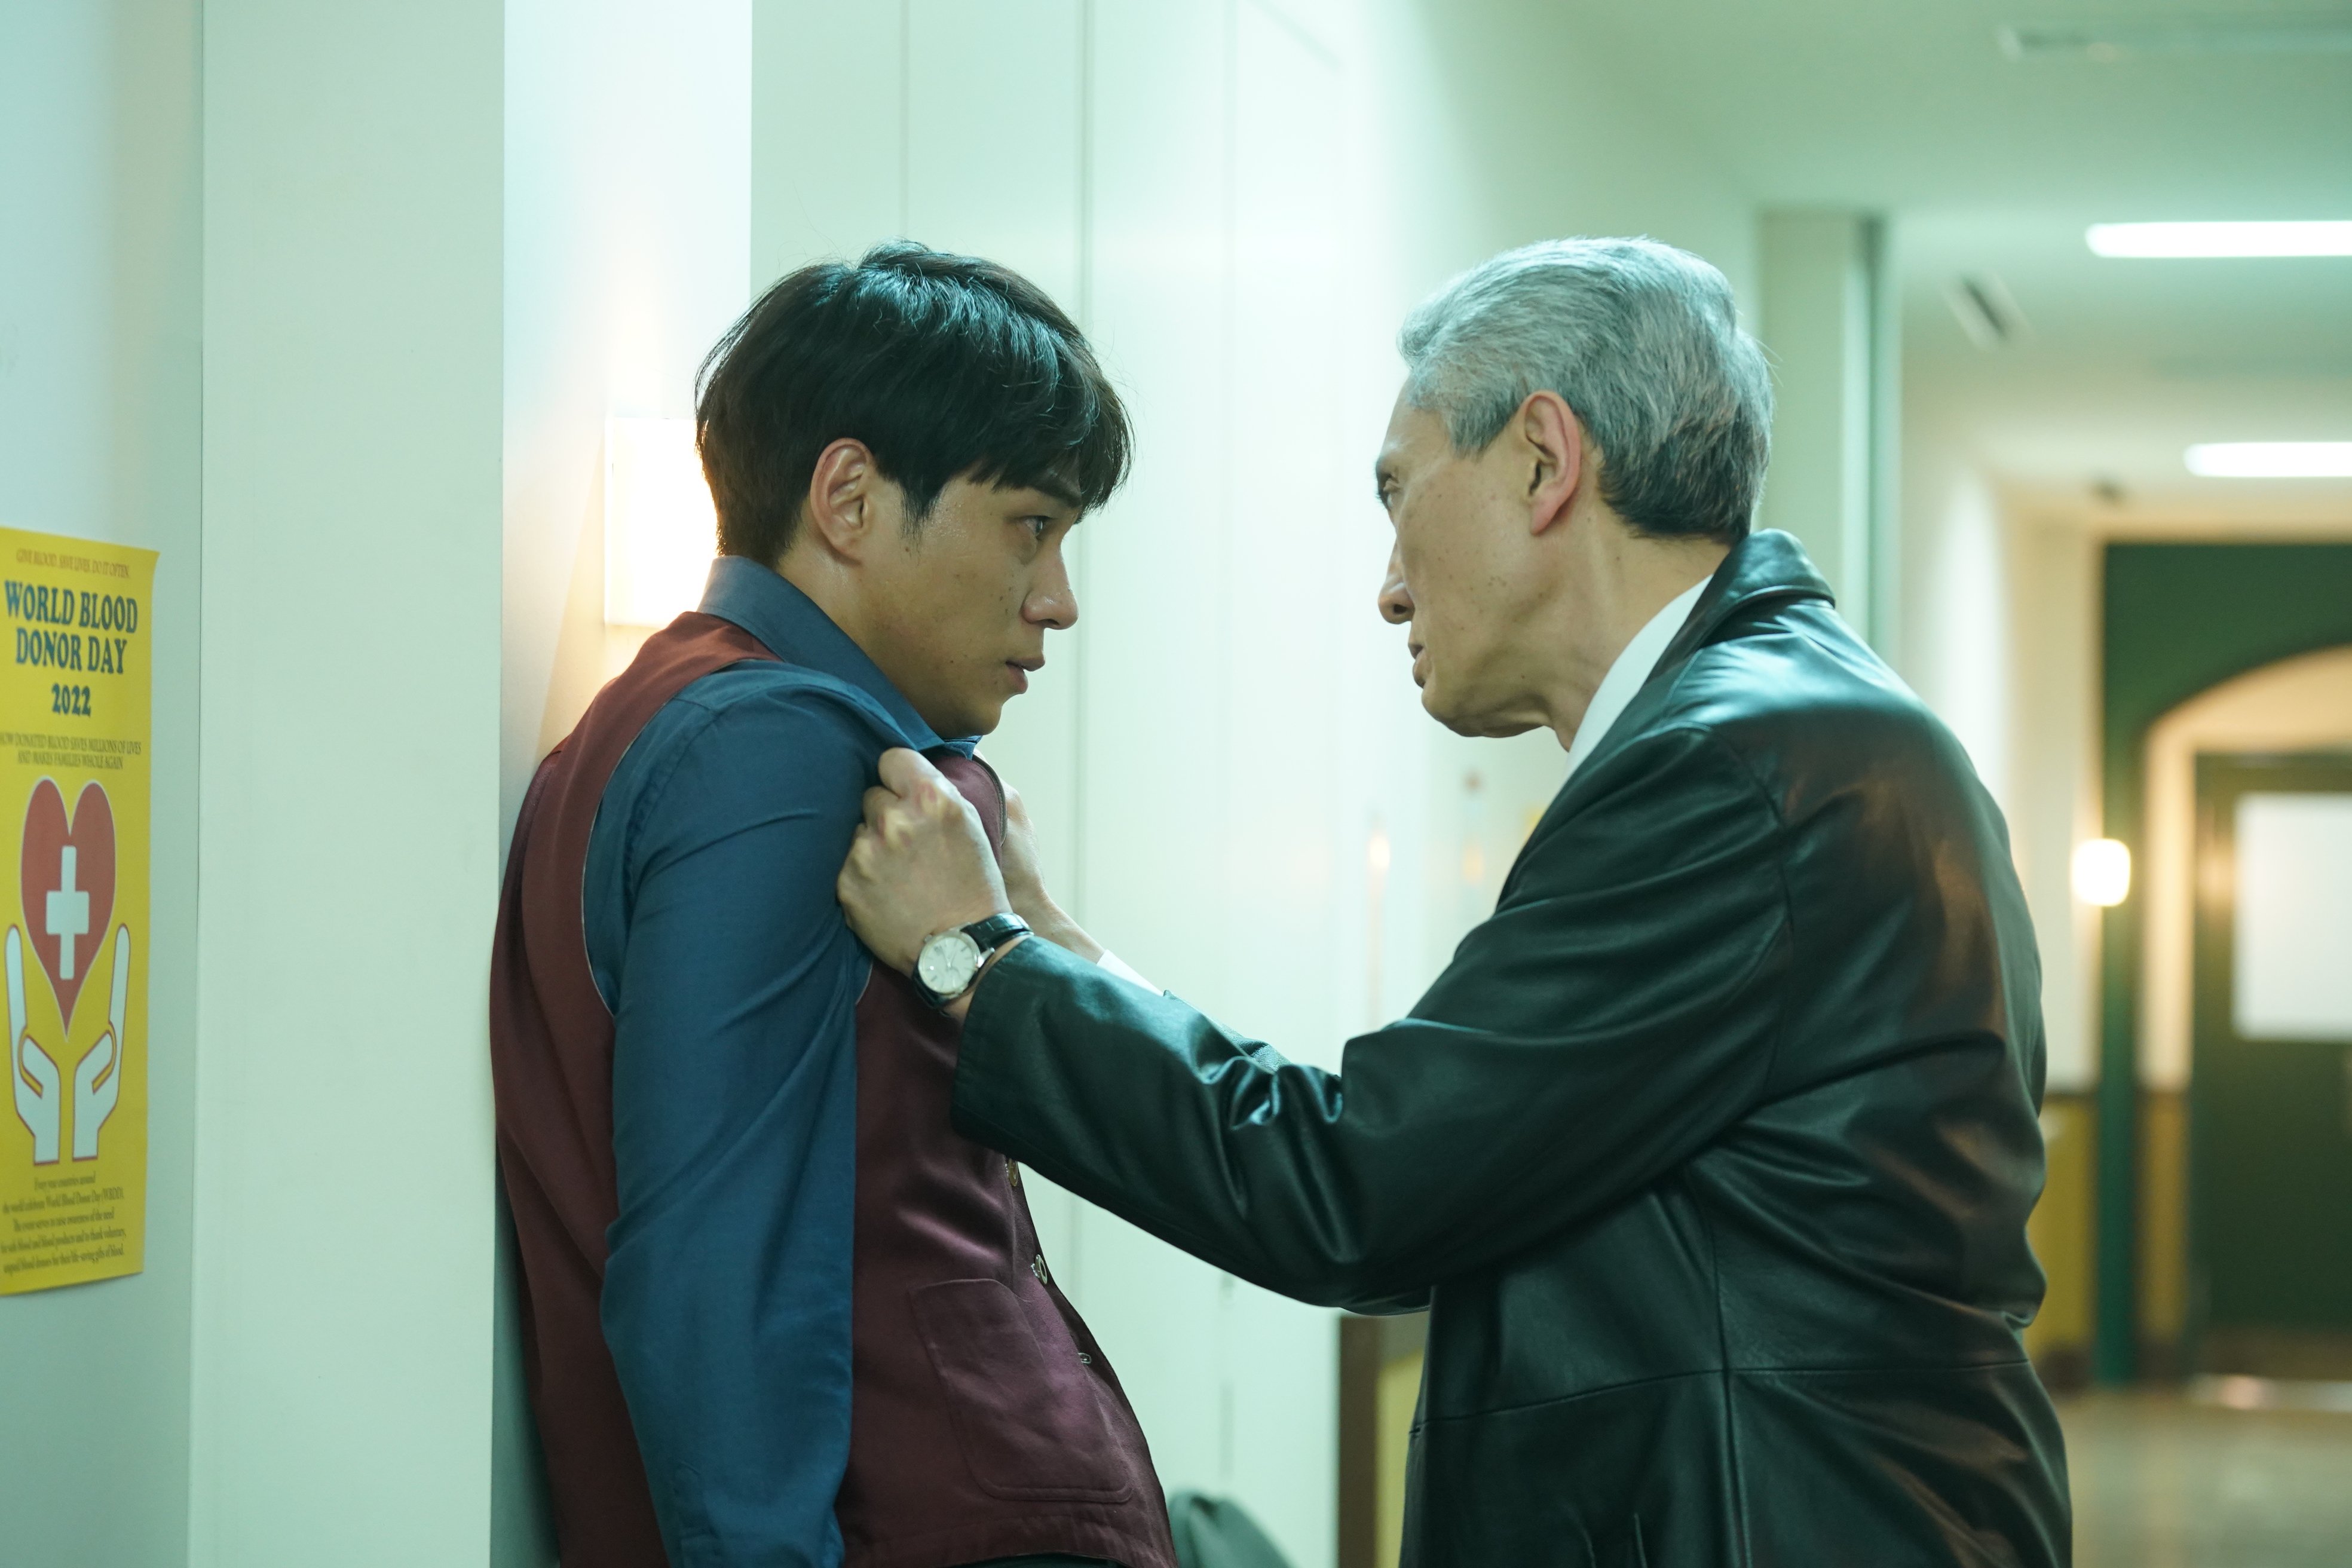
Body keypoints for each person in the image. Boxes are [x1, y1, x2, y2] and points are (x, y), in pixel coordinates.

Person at [837, 238, 2072, 1566]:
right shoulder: (1797, 734)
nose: (1388, 586)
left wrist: (972, 957)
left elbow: (1360, 1190)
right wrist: (1053, 950)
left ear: (1544, 460)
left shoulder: (1733, 774)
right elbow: (1462, 1169)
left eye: (1399, 491)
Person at [490, 243, 1174, 1568]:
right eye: (1030, 528)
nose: (1059, 600)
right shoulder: (777, 751)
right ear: (850, 499)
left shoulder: (685, 723)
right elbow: (718, 1268)